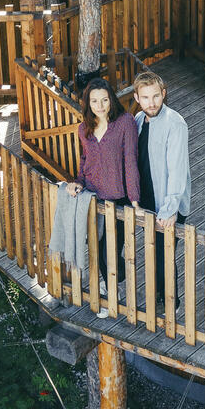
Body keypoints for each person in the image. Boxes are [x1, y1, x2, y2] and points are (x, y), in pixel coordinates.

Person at [62, 79, 139, 315]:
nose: (100, 105)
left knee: (109, 250)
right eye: (94, 101)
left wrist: (134, 200)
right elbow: (85, 161)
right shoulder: (83, 128)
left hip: (118, 198)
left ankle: (111, 292)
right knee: (96, 247)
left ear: (111, 99)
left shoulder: (125, 122)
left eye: (104, 99)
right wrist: (77, 183)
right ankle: (111, 284)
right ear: (88, 103)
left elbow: (130, 162)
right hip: (92, 197)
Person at [132, 71, 190, 312]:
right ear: (137, 98)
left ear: (163, 94)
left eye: (156, 96)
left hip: (168, 204)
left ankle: (170, 304)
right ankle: (158, 296)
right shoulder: (138, 119)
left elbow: (177, 170)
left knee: (164, 255)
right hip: (147, 199)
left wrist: (169, 210)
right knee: (152, 250)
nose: (152, 103)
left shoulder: (175, 123)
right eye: (145, 97)